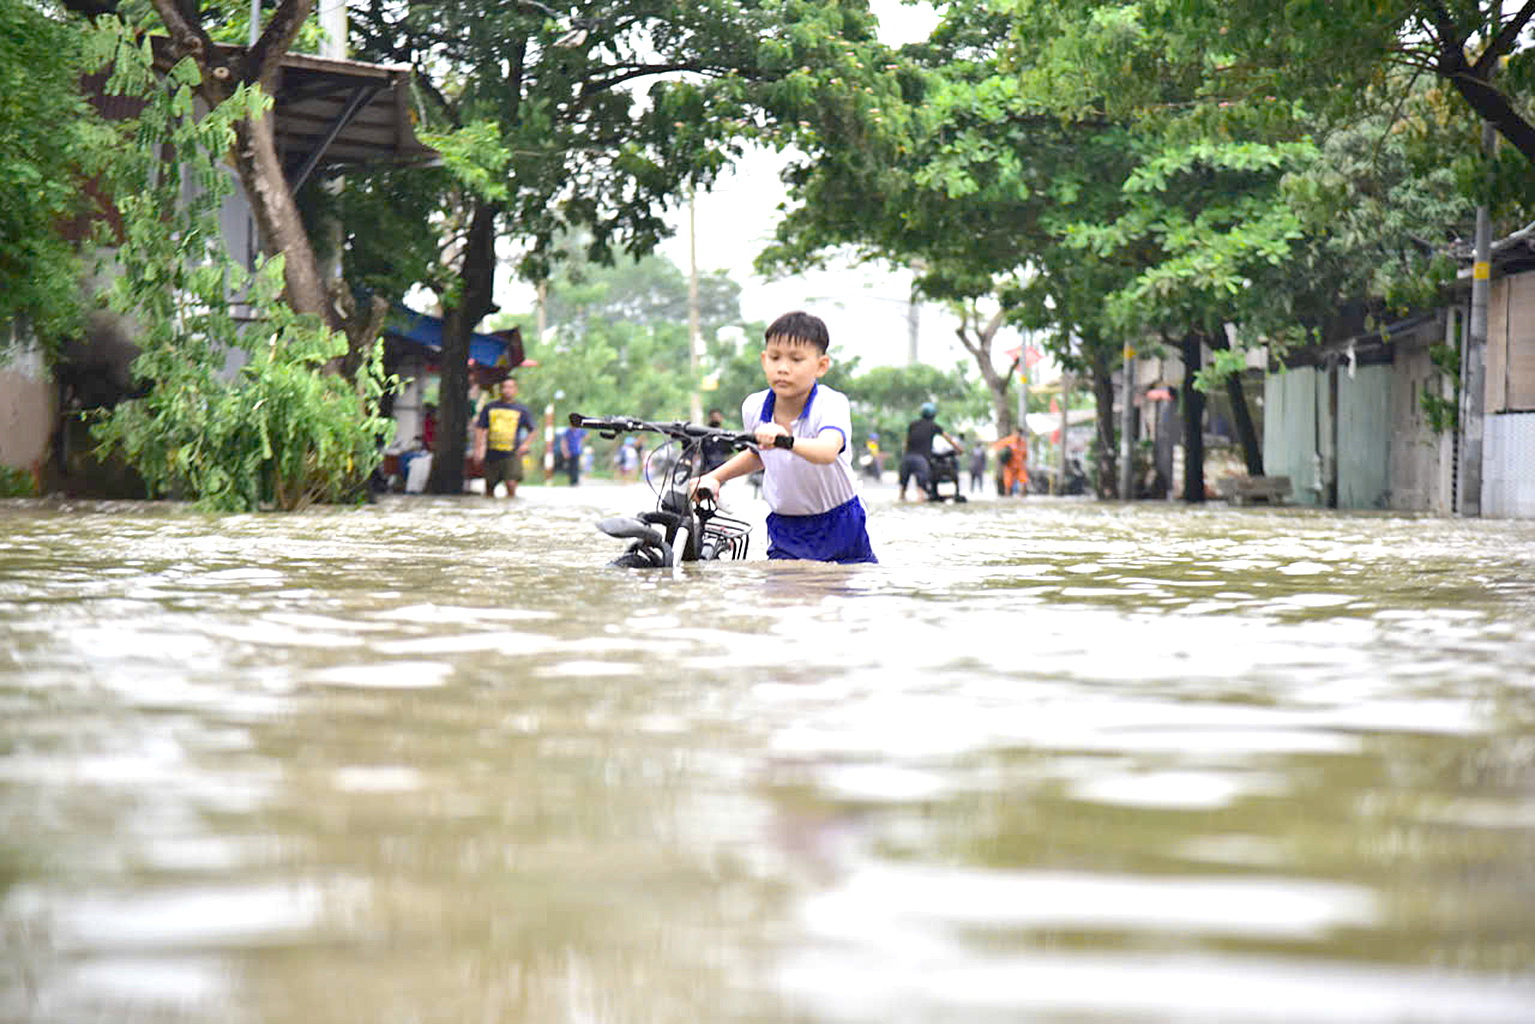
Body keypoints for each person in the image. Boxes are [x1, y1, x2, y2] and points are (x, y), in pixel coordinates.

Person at [695, 310, 876, 564]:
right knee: (780, 595)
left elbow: (827, 451)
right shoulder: (754, 406)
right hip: (785, 525)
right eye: (775, 357)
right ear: (763, 360)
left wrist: (787, 441)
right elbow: (759, 454)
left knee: (840, 594)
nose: (782, 368)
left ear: (821, 365)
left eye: (796, 359)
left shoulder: (831, 403)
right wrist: (714, 477)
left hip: (840, 521)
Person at [473, 376, 533, 498]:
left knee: (511, 484)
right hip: (491, 453)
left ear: (515, 390)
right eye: (504, 387)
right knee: (489, 488)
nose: (507, 390)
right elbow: (480, 428)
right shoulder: (490, 408)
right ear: (499, 390)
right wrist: (478, 449)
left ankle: (511, 508)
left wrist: (526, 444)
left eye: (510, 387)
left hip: (512, 454)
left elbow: (533, 430)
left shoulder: (522, 410)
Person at [899, 402, 961, 502]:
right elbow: (948, 438)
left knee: (902, 491)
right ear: (934, 415)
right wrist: (959, 449)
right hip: (921, 460)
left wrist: (905, 454)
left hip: (907, 458)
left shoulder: (913, 425)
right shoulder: (934, 426)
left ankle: (902, 496)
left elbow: (906, 442)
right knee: (920, 492)